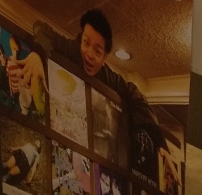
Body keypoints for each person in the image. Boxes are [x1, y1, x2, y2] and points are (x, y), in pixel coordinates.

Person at [20, 9, 166, 146]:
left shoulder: (106, 76)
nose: (89, 54)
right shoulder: (71, 49)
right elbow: (42, 28)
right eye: (86, 43)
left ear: (104, 58)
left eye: (97, 51)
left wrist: (157, 139)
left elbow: (133, 93)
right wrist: (37, 54)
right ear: (80, 39)